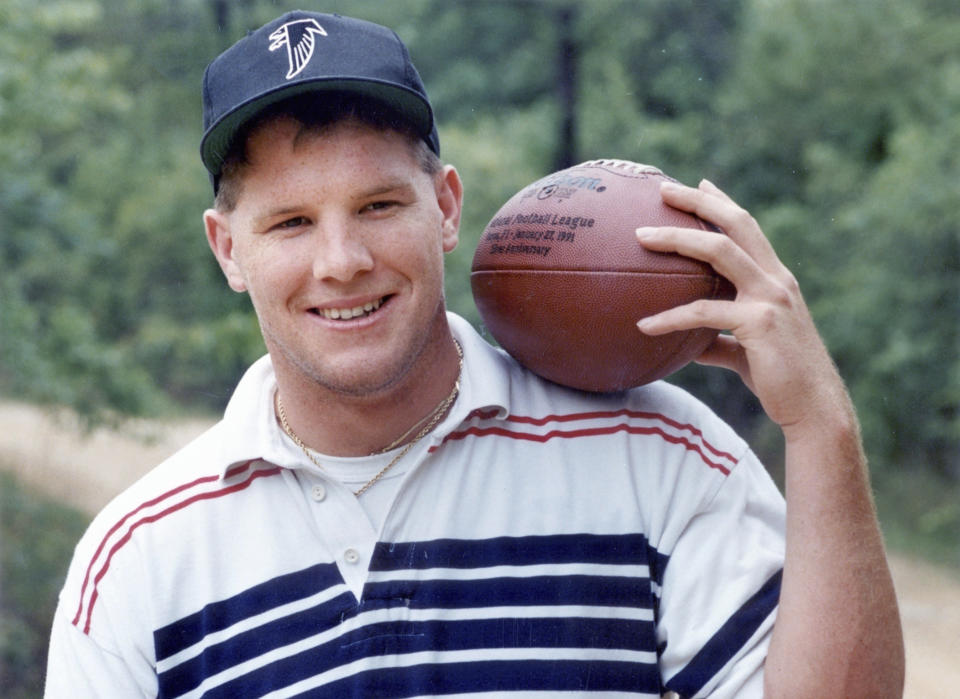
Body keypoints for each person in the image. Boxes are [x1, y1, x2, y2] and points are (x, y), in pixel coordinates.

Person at [45, 10, 903, 698]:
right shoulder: (135, 561)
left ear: (447, 208)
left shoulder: (665, 459)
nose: (342, 260)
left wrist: (821, 424)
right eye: (291, 222)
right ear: (227, 248)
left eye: (379, 205)